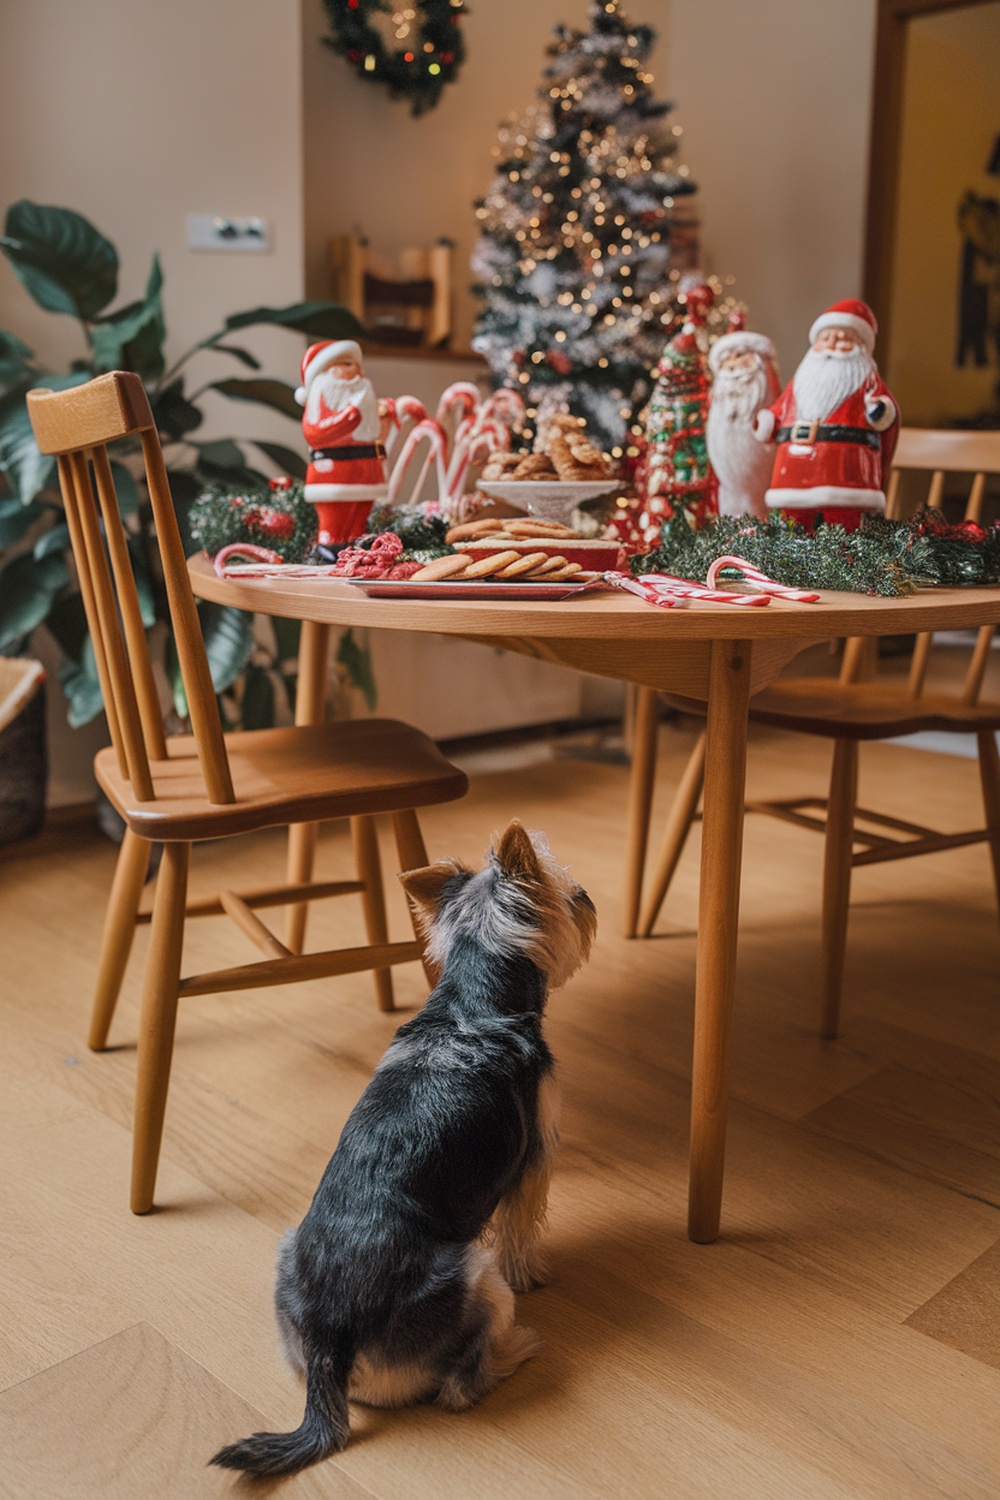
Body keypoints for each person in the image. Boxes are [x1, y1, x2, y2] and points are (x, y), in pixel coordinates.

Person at [754, 299, 899, 524]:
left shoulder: (866, 379)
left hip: (845, 468)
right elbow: (783, 406)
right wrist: (769, 420)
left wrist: (879, 411)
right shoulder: (802, 380)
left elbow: (884, 410)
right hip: (793, 468)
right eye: (826, 338)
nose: (832, 344)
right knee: (793, 521)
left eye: (843, 339)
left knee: (842, 523)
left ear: (860, 345)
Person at [295, 339, 387, 547]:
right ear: (324, 374)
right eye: (342, 365)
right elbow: (315, 433)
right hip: (333, 472)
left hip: (366, 470)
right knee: (334, 520)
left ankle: (356, 548)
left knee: (359, 519)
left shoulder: (365, 393)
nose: (353, 371)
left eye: (353, 364)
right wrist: (350, 416)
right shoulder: (320, 400)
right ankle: (329, 548)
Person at [706, 322, 781, 519]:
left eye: (739, 355)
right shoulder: (716, 402)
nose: (732, 363)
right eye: (726, 359)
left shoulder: (767, 397)